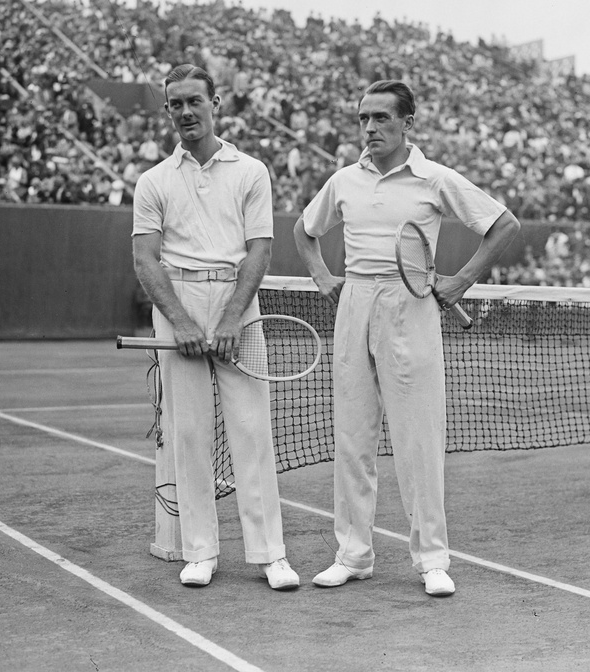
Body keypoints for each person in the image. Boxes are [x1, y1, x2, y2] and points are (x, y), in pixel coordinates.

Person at [293, 80, 520, 597]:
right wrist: (324, 277)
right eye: (363, 119)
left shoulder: (436, 179)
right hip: (354, 305)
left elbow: (504, 225)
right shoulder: (344, 180)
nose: (369, 128)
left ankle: (432, 560)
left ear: (407, 122)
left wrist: (462, 280)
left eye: (380, 118)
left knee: (419, 439)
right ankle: (353, 555)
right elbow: (304, 233)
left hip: (412, 307)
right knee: (352, 438)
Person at [131, 64, 298, 591]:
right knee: (189, 434)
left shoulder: (251, 171)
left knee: (252, 431)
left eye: (194, 101)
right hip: (177, 305)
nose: (185, 112)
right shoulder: (153, 180)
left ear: (215, 102)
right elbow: (144, 259)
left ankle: (271, 555)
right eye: (175, 104)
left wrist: (229, 317)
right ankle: (199, 551)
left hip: (237, 306)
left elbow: (261, 250)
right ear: (167, 112)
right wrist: (180, 320)